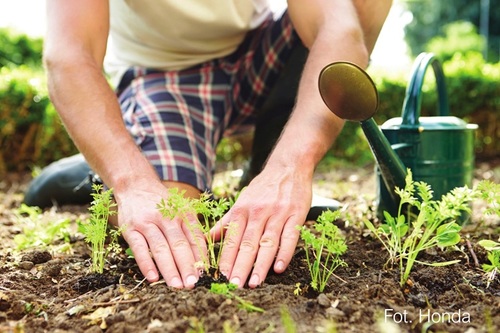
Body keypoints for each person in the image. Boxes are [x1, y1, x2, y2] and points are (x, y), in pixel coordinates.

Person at [34, 0, 392, 289]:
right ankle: (108, 159)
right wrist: (132, 183)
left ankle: (265, 167)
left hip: (259, 54)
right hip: (167, 75)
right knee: (174, 217)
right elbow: (69, 57)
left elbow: (338, 28)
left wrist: (291, 165)